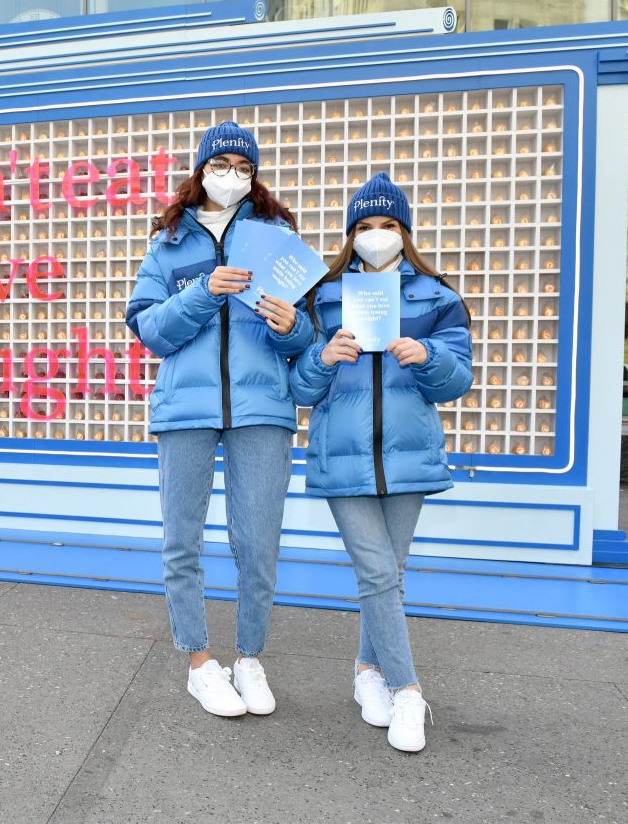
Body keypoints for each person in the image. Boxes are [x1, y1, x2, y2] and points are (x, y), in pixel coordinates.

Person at [125, 121, 313, 717]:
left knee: (257, 541)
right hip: (186, 408)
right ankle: (200, 661)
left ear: (253, 176)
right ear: (201, 169)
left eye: (243, 166)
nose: (232, 174)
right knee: (182, 540)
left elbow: (308, 337)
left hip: (262, 408)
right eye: (221, 163)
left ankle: (250, 658)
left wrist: (295, 327)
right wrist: (204, 291)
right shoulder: (170, 241)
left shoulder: (277, 237)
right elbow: (150, 330)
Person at [290, 172, 474, 752]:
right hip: (340, 456)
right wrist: (322, 359)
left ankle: (368, 673)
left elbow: (458, 380)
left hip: (409, 457)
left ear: (404, 231)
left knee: (387, 578)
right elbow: (298, 386)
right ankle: (409, 691)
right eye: (364, 227)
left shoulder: (436, 296)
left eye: (387, 225)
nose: (375, 236)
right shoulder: (320, 296)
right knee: (377, 574)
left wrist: (428, 357)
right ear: (350, 234)